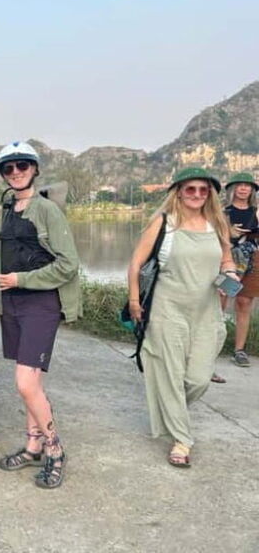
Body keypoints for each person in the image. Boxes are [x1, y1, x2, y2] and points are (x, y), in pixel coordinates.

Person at [127, 167, 233, 468]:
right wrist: (134, 300)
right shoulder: (164, 223)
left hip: (207, 312)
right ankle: (182, 440)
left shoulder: (217, 224)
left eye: (203, 190)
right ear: (179, 192)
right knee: (169, 375)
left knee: (198, 379)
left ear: (210, 194)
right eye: (190, 189)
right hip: (166, 310)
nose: (197, 195)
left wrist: (230, 274)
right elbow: (135, 264)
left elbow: (226, 258)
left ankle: (170, 409)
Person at [0, 141, 81, 489]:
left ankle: (55, 450)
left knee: (25, 383)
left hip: (41, 304)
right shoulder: (10, 208)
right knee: (32, 386)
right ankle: (33, 446)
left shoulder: (47, 210)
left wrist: (22, 279)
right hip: (13, 302)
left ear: (35, 169)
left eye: (22, 166)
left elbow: (68, 264)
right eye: (8, 168)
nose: (16, 173)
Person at [221, 172, 259, 368]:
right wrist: (231, 232)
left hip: (251, 261)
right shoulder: (223, 212)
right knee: (221, 300)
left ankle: (239, 350)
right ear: (232, 188)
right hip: (227, 260)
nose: (244, 188)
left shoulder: (256, 211)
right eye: (240, 185)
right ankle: (212, 344)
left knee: (244, 303)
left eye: (247, 185)